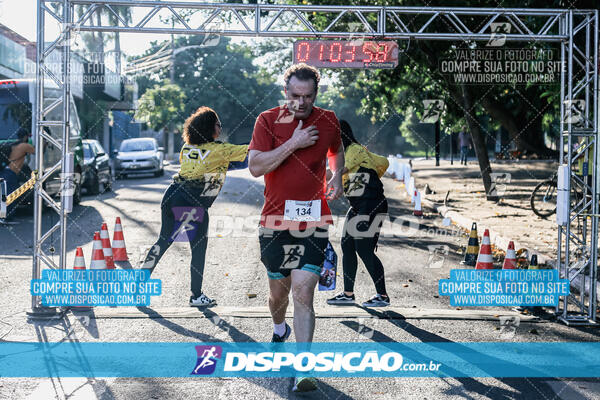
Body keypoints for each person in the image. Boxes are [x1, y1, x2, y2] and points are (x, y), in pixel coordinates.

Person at [248, 63, 344, 392]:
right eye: (294, 96)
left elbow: (337, 150)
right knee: (280, 295)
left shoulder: (328, 120)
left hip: (314, 220)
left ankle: (304, 367)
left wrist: (337, 174)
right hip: (275, 222)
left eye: (308, 96)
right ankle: (278, 328)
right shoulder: (267, 120)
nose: (301, 103)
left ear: (316, 94)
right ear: (284, 92)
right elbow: (256, 167)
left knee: (304, 293)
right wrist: (295, 142)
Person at [141, 106, 247, 307]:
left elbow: (210, 166)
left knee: (163, 241)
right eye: (218, 124)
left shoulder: (186, 148)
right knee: (198, 249)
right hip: (192, 202)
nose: (220, 127)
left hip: (172, 194)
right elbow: (252, 153)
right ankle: (196, 296)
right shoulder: (220, 150)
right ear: (209, 128)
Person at [326, 120, 390, 307]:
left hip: (372, 205)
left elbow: (342, 169)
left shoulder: (354, 149)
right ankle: (348, 294)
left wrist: (342, 173)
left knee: (364, 249)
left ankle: (382, 296)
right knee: (347, 246)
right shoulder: (354, 153)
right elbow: (383, 162)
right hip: (358, 206)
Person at [0, 128, 34, 221]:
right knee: (11, 196)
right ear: (25, 136)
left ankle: (4, 216)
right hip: (11, 174)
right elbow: (36, 152)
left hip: (5, 171)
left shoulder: (14, 144)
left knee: (4, 195)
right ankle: (7, 217)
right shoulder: (24, 146)